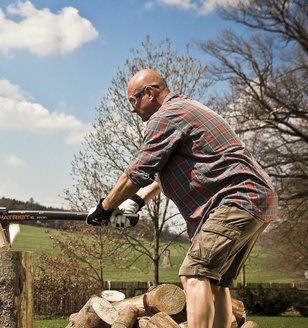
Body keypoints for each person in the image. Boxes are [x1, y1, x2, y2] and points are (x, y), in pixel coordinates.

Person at [86, 69, 278, 328]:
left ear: (150, 93)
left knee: (194, 272)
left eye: (133, 100)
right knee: (215, 281)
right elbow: (160, 175)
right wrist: (137, 201)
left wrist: (104, 207)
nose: (132, 109)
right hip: (256, 199)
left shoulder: (165, 117)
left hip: (236, 198)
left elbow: (138, 171)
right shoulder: (187, 109)